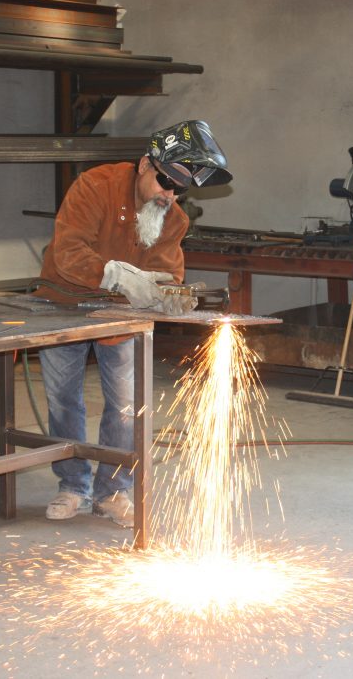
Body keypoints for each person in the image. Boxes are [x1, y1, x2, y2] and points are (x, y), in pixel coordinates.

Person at [32, 119, 232, 526]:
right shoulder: (95, 186)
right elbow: (68, 252)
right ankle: (73, 486)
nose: (169, 194)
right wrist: (119, 276)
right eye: (164, 182)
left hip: (121, 317)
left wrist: (165, 292)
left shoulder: (173, 218)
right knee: (63, 400)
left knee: (125, 408)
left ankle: (111, 491)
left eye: (179, 189)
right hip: (64, 302)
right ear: (145, 165)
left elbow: (168, 272)